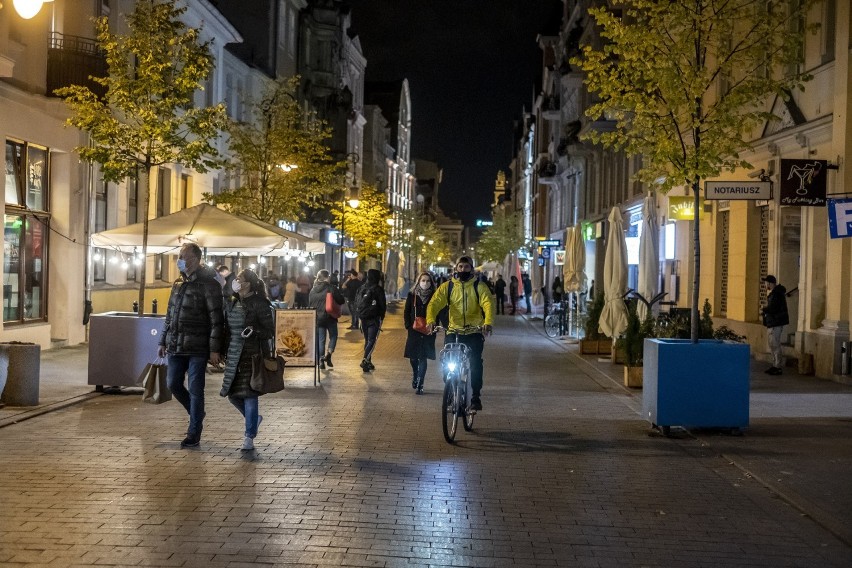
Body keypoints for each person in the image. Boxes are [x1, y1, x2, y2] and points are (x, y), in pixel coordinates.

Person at [158, 243, 224, 448]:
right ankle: (197, 412)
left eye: (182, 256)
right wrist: (163, 340)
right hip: (176, 344)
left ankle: (194, 431)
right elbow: (170, 314)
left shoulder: (209, 284)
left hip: (198, 346)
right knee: (173, 384)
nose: (179, 259)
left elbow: (216, 318)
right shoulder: (178, 283)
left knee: (196, 389)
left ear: (195, 259)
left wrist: (214, 349)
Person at [426, 256, 493, 411]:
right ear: (456, 268)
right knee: (447, 363)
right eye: (460, 266)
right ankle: (450, 386)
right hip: (453, 330)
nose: (463, 270)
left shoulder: (479, 286)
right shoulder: (448, 287)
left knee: (476, 363)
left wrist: (487, 322)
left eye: (467, 267)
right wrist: (431, 320)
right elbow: (435, 303)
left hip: (474, 331)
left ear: (472, 268)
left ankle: (475, 396)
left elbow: (488, 304)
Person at [219, 269, 275, 451]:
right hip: (234, 355)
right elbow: (226, 329)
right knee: (232, 394)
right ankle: (254, 420)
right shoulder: (232, 302)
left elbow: (269, 331)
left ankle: (249, 437)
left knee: (250, 395)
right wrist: (221, 351)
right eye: (235, 279)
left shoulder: (260, 304)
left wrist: (254, 331)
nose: (235, 281)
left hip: (252, 356)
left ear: (248, 284)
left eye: (239, 279)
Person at [403, 272, 437, 394]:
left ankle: (420, 384)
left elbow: (440, 311)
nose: (425, 283)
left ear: (431, 283)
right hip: (414, 330)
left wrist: (438, 326)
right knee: (413, 357)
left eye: (428, 281)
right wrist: (408, 325)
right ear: (418, 281)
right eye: (423, 280)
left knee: (423, 357)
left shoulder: (435, 296)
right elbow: (407, 311)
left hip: (428, 330)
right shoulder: (412, 295)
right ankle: (415, 374)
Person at [309, 269, 345, 370]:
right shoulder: (331, 288)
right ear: (327, 277)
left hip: (318, 318)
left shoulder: (313, 289)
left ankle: (321, 360)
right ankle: (328, 354)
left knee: (321, 339)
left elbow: (310, 304)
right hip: (330, 316)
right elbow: (341, 300)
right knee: (333, 335)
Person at [356, 268, 387, 372]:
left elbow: (356, 301)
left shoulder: (361, 288)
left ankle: (368, 361)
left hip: (363, 317)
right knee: (372, 340)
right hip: (374, 318)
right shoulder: (378, 289)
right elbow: (383, 304)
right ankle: (365, 360)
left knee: (367, 340)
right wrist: (382, 317)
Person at [761, 274, 789, 375]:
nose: (765, 284)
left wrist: (764, 308)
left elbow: (773, 309)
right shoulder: (775, 293)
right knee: (772, 345)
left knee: (775, 344)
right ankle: (774, 365)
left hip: (775, 323)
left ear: (770, 283)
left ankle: (777, 366)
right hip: (772, 322)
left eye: (765, 282)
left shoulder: (777, 294)